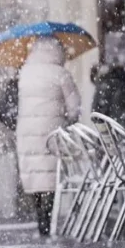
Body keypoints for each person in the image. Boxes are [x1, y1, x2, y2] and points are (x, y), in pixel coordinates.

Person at [16, 37, 80, 237]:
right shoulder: (60, 73)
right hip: (52, 133)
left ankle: (40, 220)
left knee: (35, 176)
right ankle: (48, 218)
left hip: (26, 132)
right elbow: (74, 107)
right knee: (51, 177)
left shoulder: (25, 72)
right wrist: (69, 118)